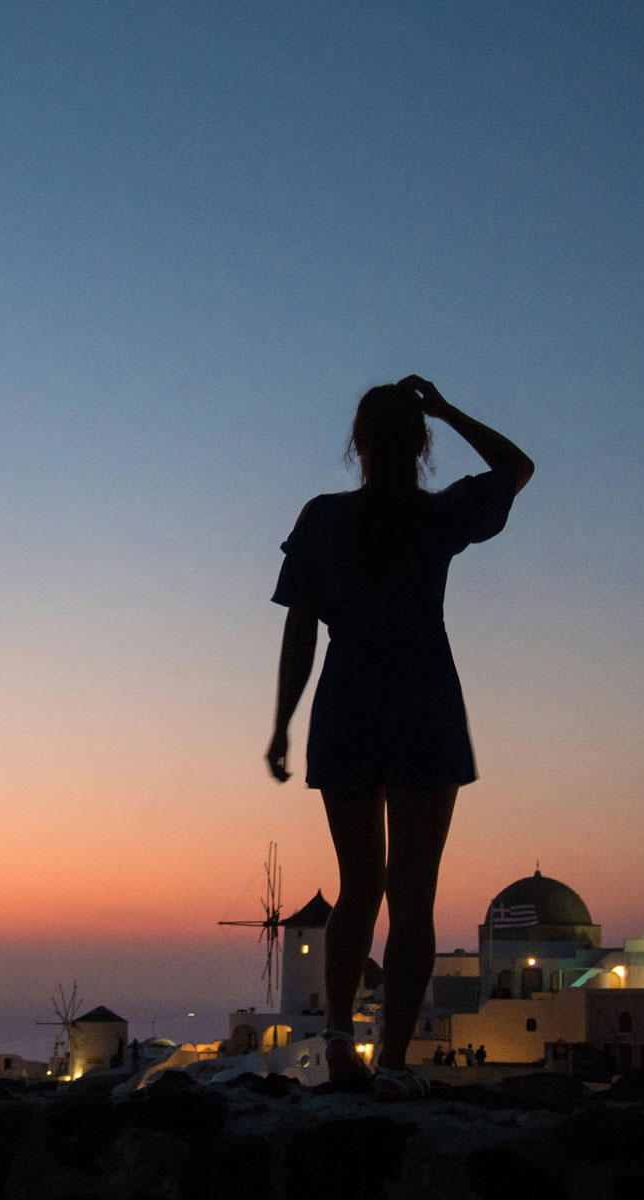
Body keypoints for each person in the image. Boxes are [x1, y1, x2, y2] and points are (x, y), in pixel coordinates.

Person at [266, 375, 533, 1100]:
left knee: (358, 887)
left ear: (357, 444)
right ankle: (390, 1062)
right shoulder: (441, 515)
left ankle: (335, 1041)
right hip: (422, 706)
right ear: (419, 445)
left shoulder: (322, 519)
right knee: (412, 895)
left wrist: (282, 725)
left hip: (347, 706)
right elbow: (517, 467)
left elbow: (298, 631)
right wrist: (447, 410)